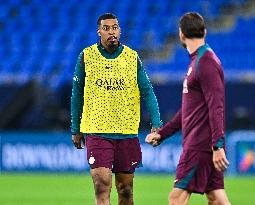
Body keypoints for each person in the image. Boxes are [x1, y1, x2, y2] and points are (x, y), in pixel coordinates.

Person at [71, 13, 162, 205]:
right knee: (102, 184)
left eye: (115, 28)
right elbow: (77, 94)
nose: (111, 32)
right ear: (99, 32)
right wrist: (75, 128)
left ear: (119, 31)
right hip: (97, 131)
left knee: (126, 190)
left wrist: (156, 122)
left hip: (126, 132)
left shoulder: (131, 57)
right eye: (106, 28)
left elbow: (147, 90)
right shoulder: (86, 56)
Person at [146, 12, 231, 205]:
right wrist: (163, 134)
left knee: (176, 198)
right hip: (206, 144)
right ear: (205, 32)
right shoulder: (199, 62)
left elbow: (216, 106)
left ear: (181, 34)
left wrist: (217, 145)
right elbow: (188, 111)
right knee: (216, 198)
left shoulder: (206, 62)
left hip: (200, 145)